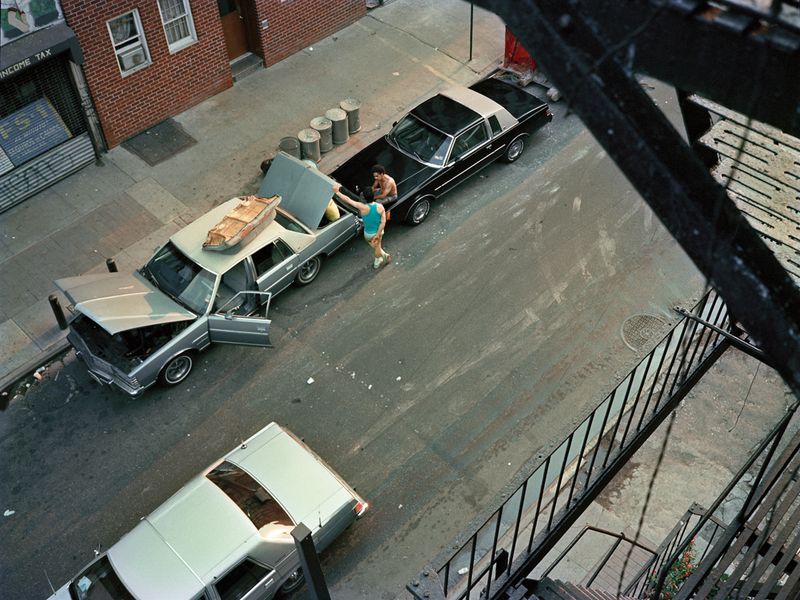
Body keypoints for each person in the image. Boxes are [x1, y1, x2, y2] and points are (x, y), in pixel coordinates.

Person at [334, 184, 391, 269]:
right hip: (379, 232)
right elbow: (383, 222)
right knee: (377, 247)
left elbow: (348, 200)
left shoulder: (362, 207)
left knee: (376, 247)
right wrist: (377, 235)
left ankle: (379, 260)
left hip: (368, 234)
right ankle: (380, 259)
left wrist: (337, 192)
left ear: (364, 197)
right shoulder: (380, 207)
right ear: (373, 196)